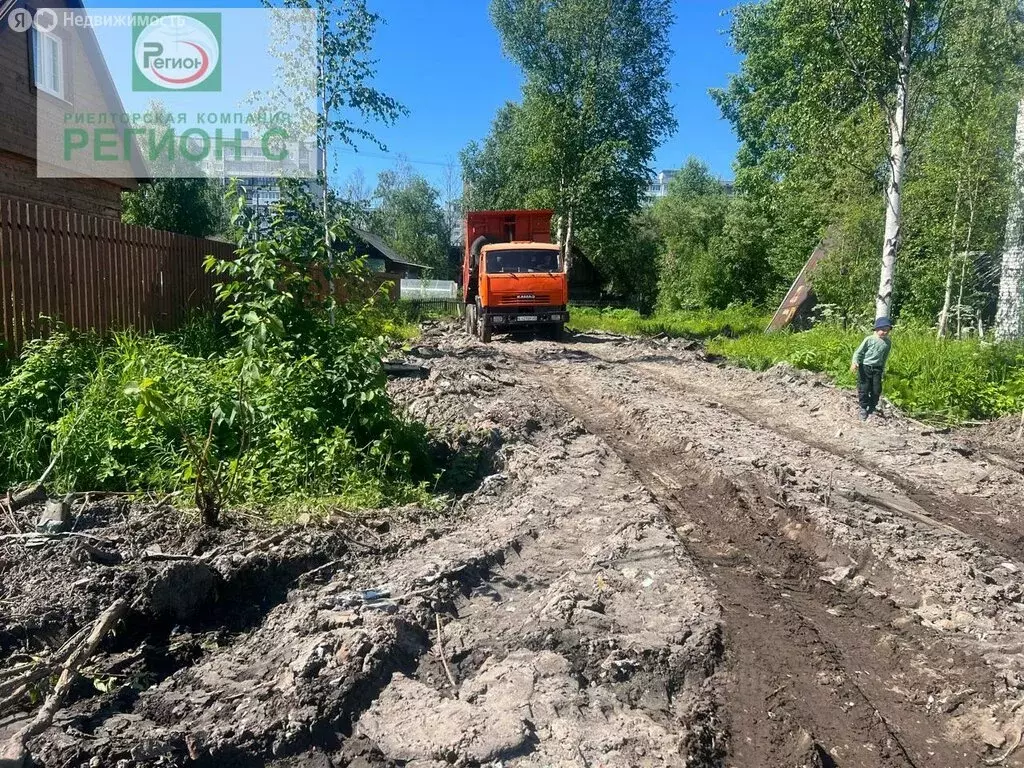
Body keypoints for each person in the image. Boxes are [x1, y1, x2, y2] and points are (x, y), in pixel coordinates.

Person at [850, 317, 893, 420]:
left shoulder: (887, 343)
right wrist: (854, 362)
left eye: (887, 330)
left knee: (876, 389)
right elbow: (858, 352)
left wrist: (882, 369)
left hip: (877, 368)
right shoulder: (869, 339)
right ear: (876, 329)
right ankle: (863, 408)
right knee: (864, 388)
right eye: (882, 329)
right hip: (865, 367)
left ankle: (872, 406)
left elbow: (884, 357)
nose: (884, 332)